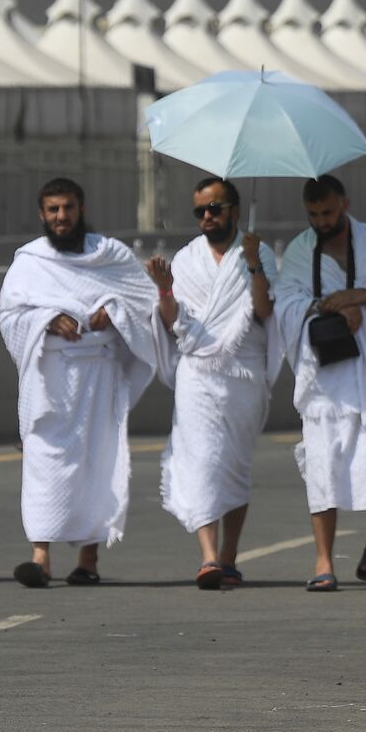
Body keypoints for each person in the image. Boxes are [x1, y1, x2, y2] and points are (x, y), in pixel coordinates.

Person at [0, 178, 158, 588]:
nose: (61, 217)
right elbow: (10, 315)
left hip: (99, 373)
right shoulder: (30, 261)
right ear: (42, 214)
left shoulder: (111, 254)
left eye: (68, 208)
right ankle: (41, 558)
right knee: (43, 459)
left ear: (81, 209)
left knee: (97, 460)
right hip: (49, 375)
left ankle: (88, 560)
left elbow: (144, 301)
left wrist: (114, 309)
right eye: (53, 210)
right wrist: (47, 318)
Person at [274, 175, 366, 592]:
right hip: (321, 373)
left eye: (329, 213)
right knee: (322, 466)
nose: (321, 221)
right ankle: (323, 561)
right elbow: (287, 305)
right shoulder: (301, 251)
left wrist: (361, 299)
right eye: (314, 215)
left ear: (345, 205)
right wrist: (328, 308)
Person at [148, 178, 281, 589]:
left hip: (243, 371)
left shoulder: (259, 254)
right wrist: (165, 288)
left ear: (235, 211)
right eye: (200, 211)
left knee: (235, 464)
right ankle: (208, 557)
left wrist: (255, 262)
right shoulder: (187, 259)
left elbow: (262, 311)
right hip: (198, 373)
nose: (207, 216)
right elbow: (173, 321)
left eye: (215, 208)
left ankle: (229, 556)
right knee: (202, 459)